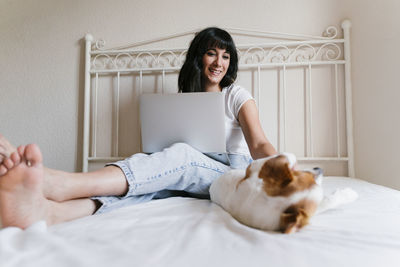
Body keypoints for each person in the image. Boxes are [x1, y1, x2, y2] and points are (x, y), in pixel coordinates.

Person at [0, 27, 276, 229]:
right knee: (148, 183)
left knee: (182, 156)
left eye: (226, 56)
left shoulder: (236, 94)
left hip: (230, 173)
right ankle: (51, 213)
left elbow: (259, 143)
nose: (219, 62)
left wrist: (279, 172)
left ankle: (59, 183)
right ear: (198, 58)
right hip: (192, 178)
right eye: (211, 53)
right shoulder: (183, 102)